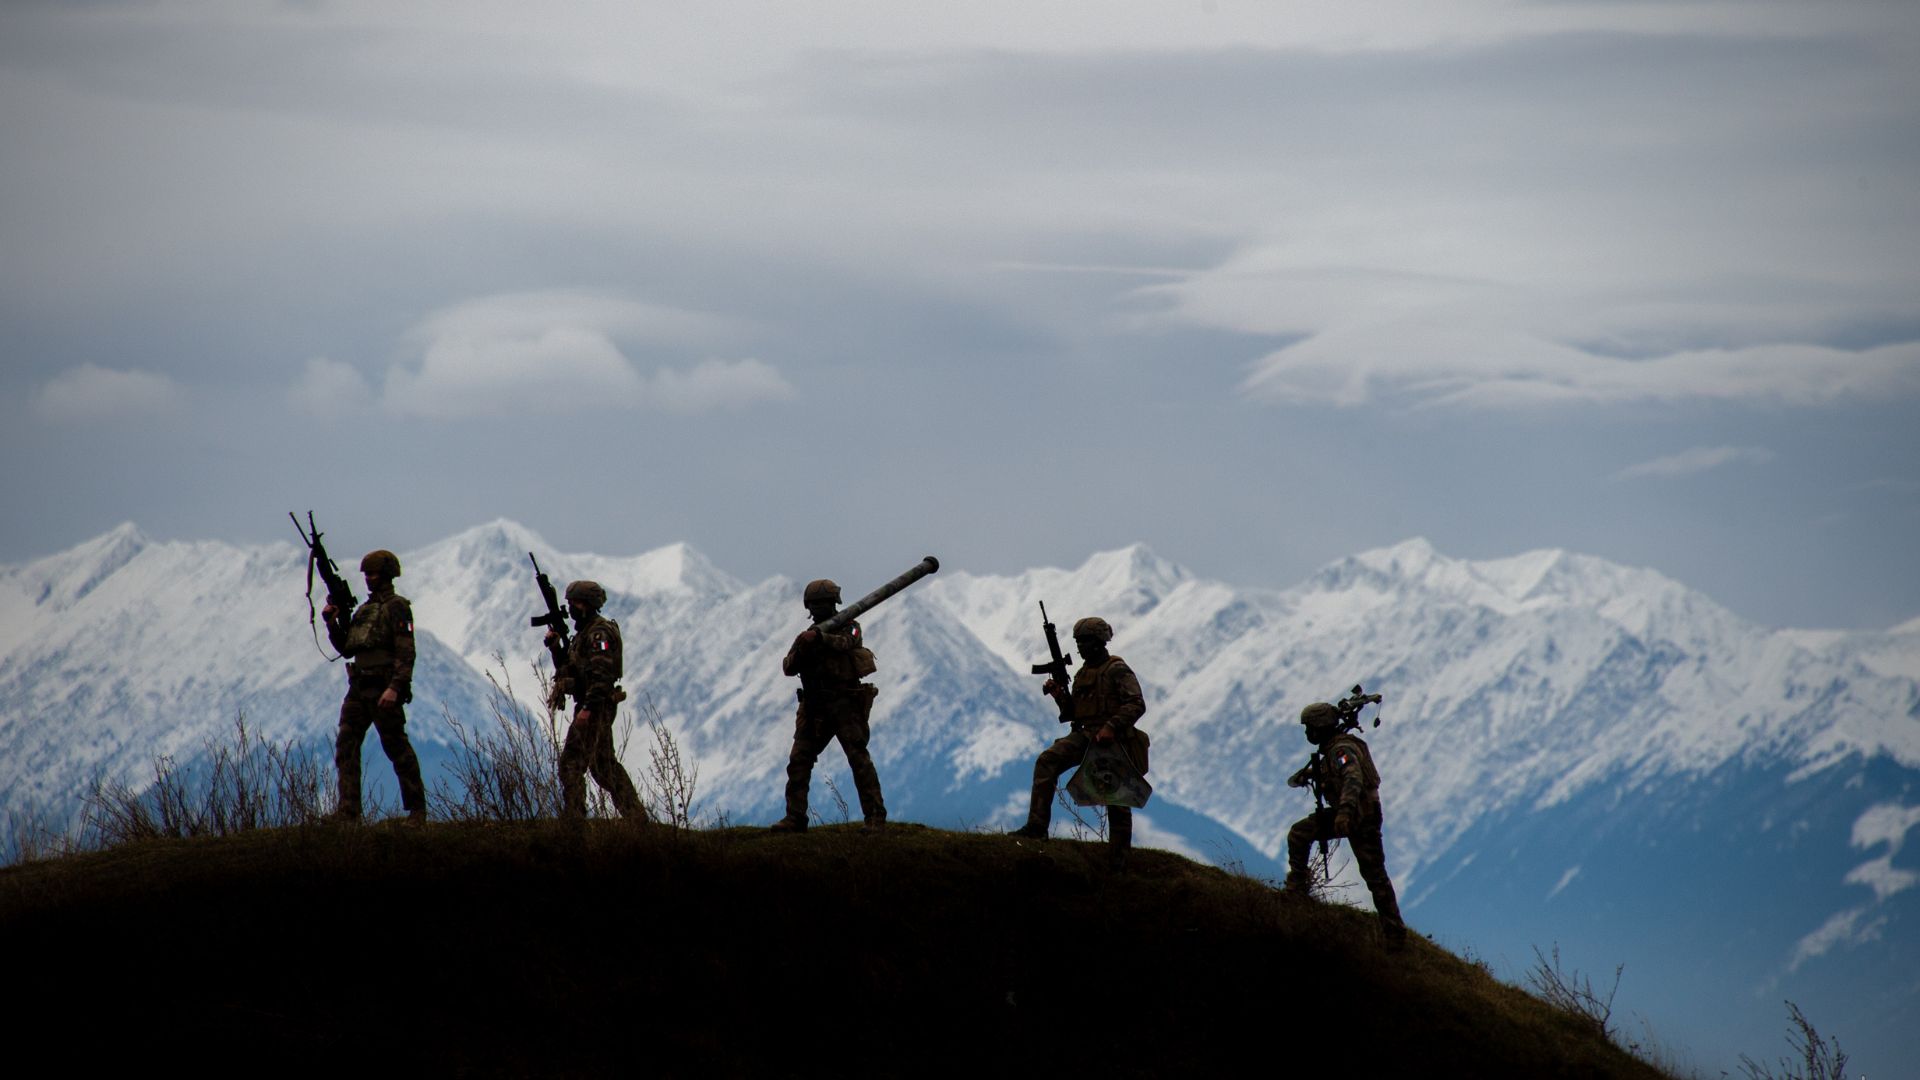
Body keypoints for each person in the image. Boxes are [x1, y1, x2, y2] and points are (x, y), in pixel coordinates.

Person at [1011, 616, 1147, 872]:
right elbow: (1075, 713)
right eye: (1078, 641)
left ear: (1099, 642)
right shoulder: (1083, 673)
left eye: (1085, 641)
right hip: (1085, 736)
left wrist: (1111, 726)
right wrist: (1059, 695)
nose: (1080, 646)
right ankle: (1037, 827)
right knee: (1047, 761)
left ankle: (1119, 861)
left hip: (1113, 740)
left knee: (1117, 800)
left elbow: (1136, 704)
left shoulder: (1117, 669)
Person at [1284, 701, 1407, 947]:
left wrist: (1345, 812)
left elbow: (1353, 777)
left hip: (1360, 816)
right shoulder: (1334, 749)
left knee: (1374, 875)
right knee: (1299, 833)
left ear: (1320, 727)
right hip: (1357, 813)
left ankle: (1394, 934)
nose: (1308, 734)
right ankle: (1296, 889)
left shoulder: (1341, 750)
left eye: (1309, 728)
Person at [769, 579, 886, 832]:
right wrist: (804, 647)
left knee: (859, 759)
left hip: (845, 704)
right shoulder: (806, 637)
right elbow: (789, 667)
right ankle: (795, 818)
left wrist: (821, 638)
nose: (821, 607)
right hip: (813, 708)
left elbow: (847, 643)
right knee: (799, 760)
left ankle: (875, 818)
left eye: (824, 603)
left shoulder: (850, 627)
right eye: (816, 603)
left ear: (834, 604)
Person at [323, 549, 426, 823]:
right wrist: (332, 623)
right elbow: (347, 648)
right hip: (359, 685)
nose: (369, 578)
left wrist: (395, 687)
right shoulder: (364, 610)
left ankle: (417, 811)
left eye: (374, 573)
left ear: (387, 574)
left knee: (396, 747)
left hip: (383, 685)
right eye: (366, 574)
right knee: (346, 745)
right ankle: (348, 812)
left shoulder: (397, 607)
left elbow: (406, 652)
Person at [545, 580, 647, 822]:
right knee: (603, 767)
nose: (570, 608)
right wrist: (556, 647)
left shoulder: (598, 634)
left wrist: (588, 709)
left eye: (574, 603)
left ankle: (574, 820)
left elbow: (602, 675)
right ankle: (637, 818)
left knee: (571, 763)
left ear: (586, 605)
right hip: (592, 706)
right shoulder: (584, 634)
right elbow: (569, 670)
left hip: (595, 706)